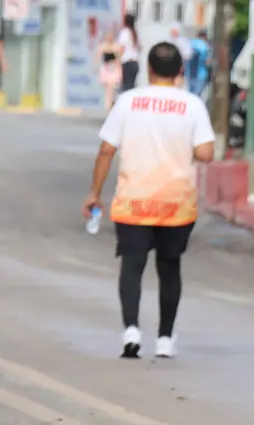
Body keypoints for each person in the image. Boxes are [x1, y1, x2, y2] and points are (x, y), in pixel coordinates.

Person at [83, 42, 214, 359]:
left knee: (132, 267)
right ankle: (166, 339)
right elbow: (206, 153)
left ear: (149, 69)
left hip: (133, 202)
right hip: (176, 204)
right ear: (180, 71)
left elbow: (106, 151)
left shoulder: (128, 102)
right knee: (169, 269)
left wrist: (94, 193)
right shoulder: (192, 105)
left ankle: (131, 331)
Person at [98, 28, 122, 110]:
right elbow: (98, 56)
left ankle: (111, 103)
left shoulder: (116, 47)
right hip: (106, 69)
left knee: (112, 88)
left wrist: (119, 70)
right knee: (108, 89)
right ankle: (108, 105)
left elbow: (118, 59)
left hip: (113, 69)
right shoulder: (103, 46)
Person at [118, 13, 140, 92]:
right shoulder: (135, 32)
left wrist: (117, 61)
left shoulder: (125, 32)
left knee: (126, 87)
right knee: (131, 86)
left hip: (127, 62)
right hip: (135, 62)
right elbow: (140, 47)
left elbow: (122, 48)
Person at [187, 30, 211, 97]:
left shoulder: (190, 43)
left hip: (190, 74)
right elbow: (208, 61)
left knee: (190, 94)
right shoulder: (205, 45)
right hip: (201, 75)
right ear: (205, 36)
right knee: (197, 95)